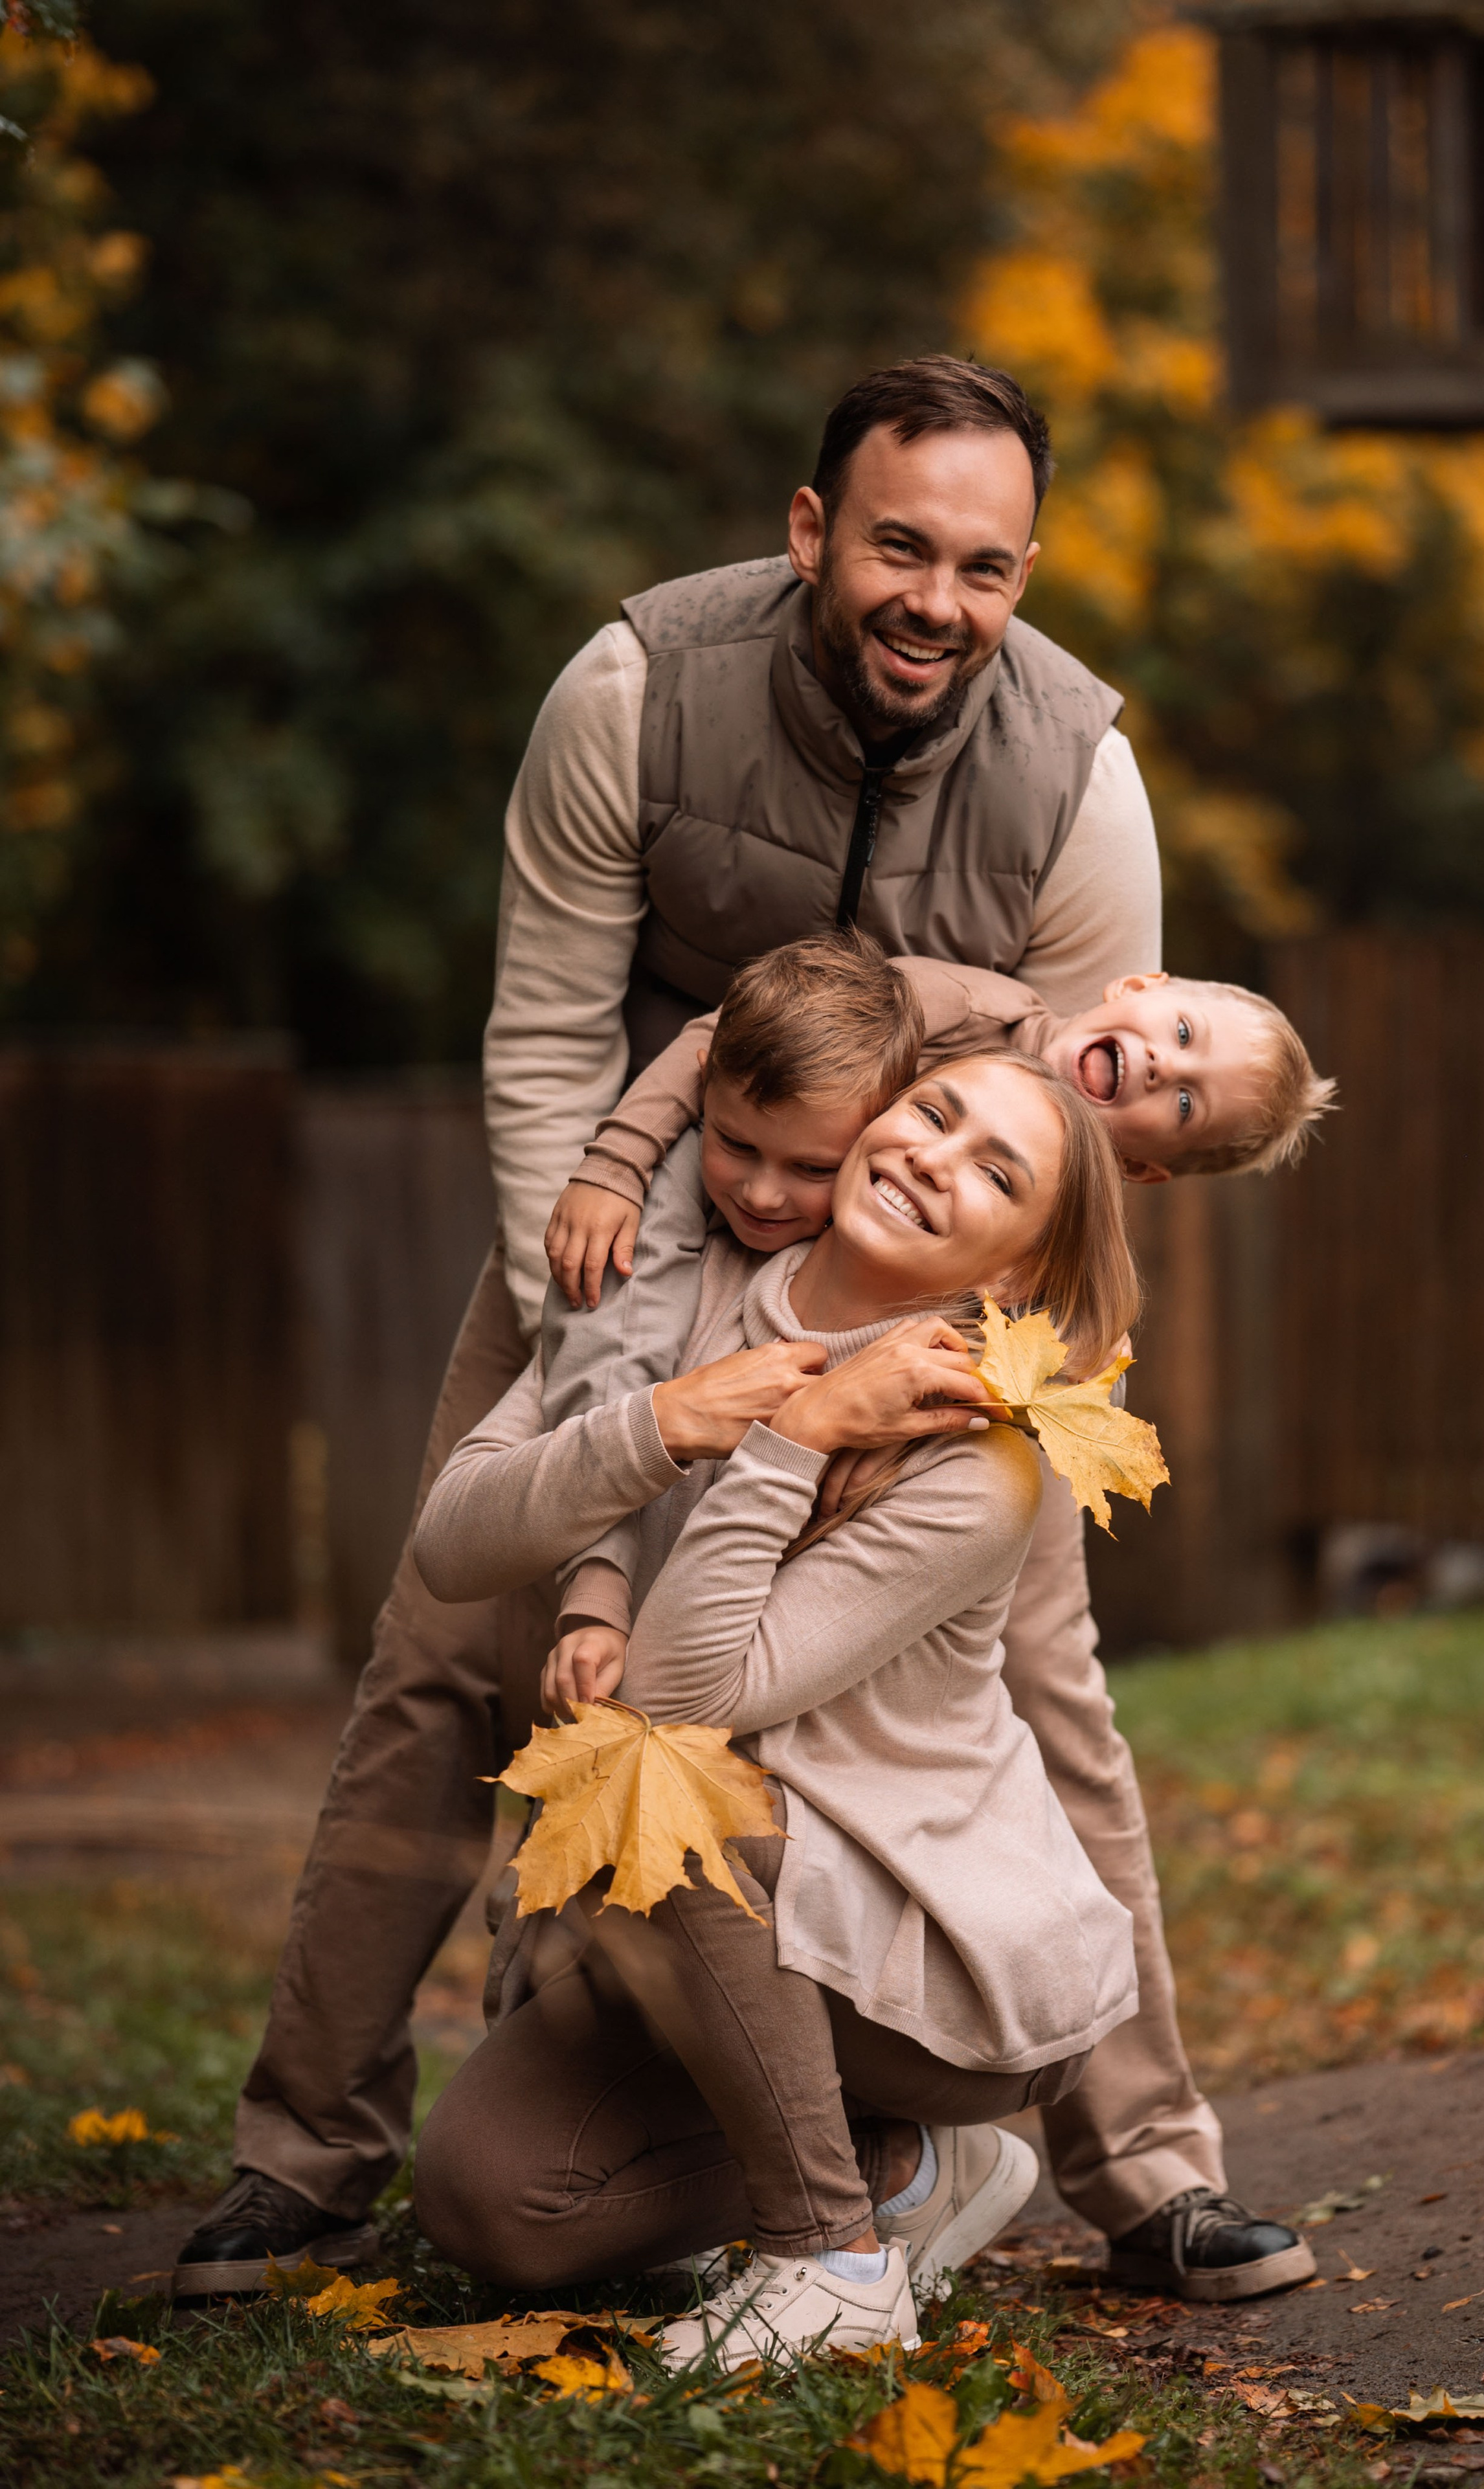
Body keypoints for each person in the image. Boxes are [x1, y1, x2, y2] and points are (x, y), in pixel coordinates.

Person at [172, 351, 1307, 2304]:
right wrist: (607, 1340)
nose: (933, 601)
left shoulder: (1077, 770)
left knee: (1051, 1693)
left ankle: (1137, 2162)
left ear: (1020, 576)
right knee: (444, 1664)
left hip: (940, 1265)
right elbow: (545, 1025)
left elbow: (1075, 1121)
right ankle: (307, 2157)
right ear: (809, 532)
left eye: (983, 566)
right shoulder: (636, 686)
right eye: (895, 546)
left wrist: (998, 1406)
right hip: (624, 1234)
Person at [412, 1048, 1144, 2364]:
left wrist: (795, 1435)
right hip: (724, 1923)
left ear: (1011, 1276)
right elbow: (453, 1543)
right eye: (931, 1111)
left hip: (935, 1956)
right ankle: (909, 2170)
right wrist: (663, 1417)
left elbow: (681, 1700)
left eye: (995, 1171)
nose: (933, 1154)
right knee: (492, 2197)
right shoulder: (669, 1289)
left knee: (666, 1780)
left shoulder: (977, 1458)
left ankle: (831, 2256)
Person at [545, 956, 1335, 1313]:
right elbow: (727, 1042)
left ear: (1141, 1166)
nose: (1166, 1066)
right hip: (711, 1196)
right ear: (1135, 986)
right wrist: (614, 1166)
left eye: (1189, 1105)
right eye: (1184, 1032)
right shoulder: (959, 1007)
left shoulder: (1041, 1239)